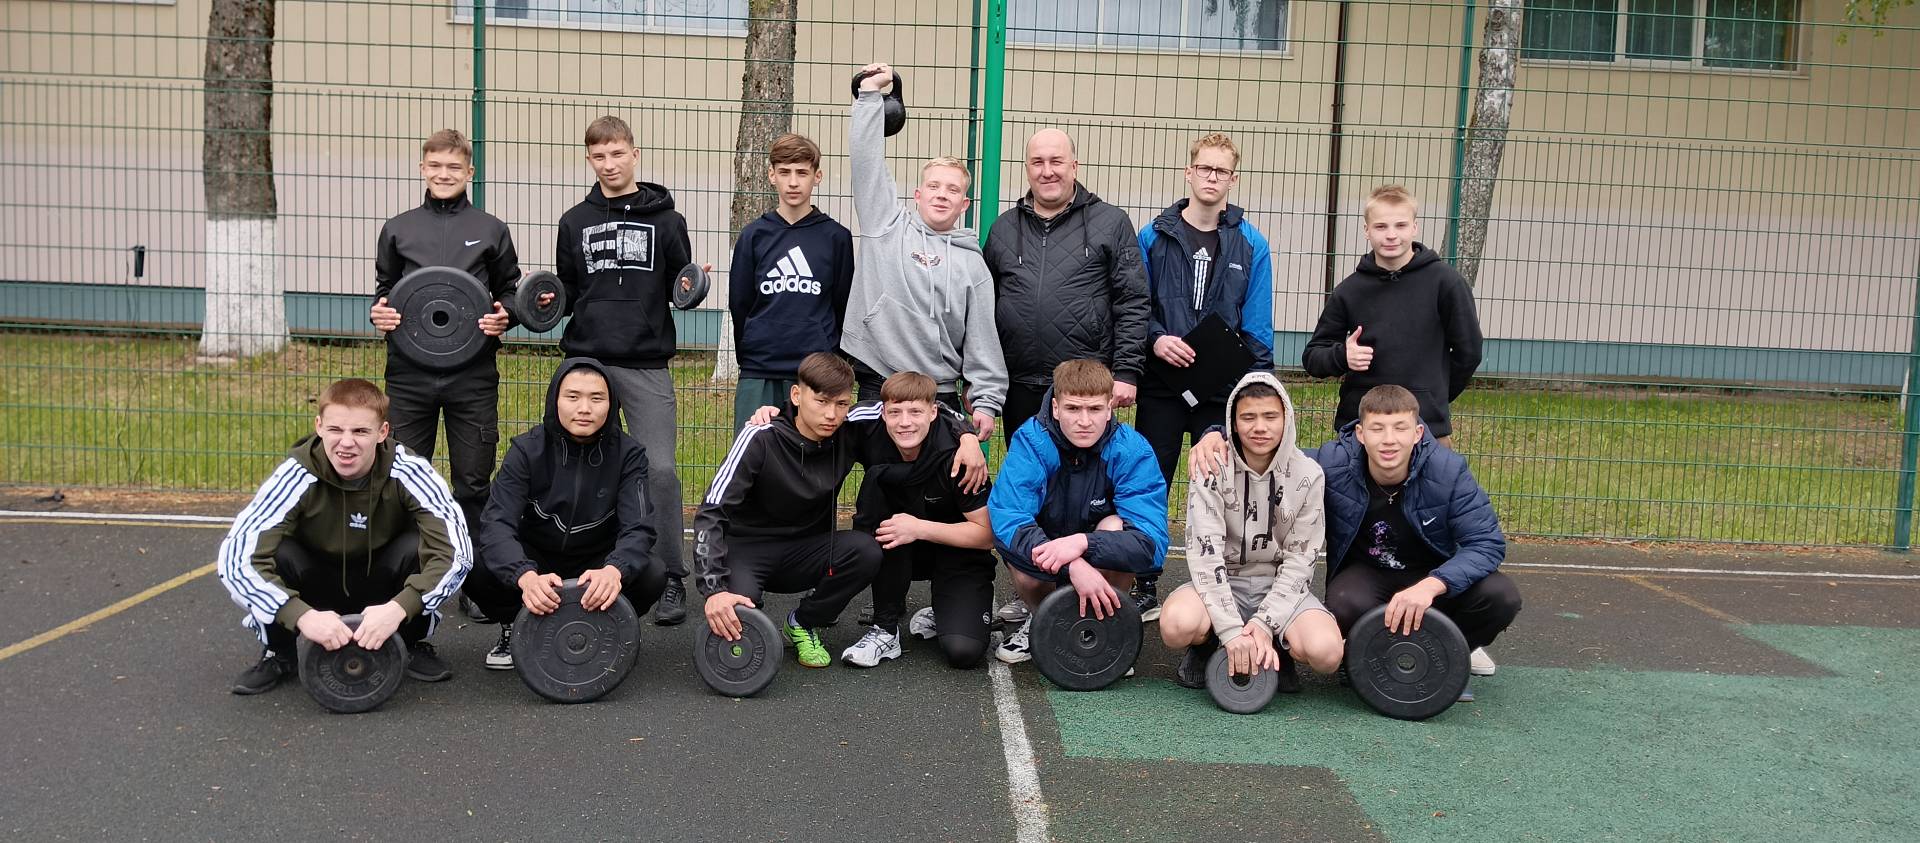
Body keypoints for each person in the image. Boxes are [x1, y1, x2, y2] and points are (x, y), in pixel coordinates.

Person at [1191, 384, 1520, 699]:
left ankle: (1449, 654)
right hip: (1369, 573)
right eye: (1377, 429)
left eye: (1400, 428)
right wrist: (1216, 435)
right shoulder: (1335, 463)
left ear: (1418, 433)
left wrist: (1432, 585)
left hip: (1431, 575)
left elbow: (1487, 544)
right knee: (1343, 603)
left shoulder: (1449, 472)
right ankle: (1368, 658)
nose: (1388, 440)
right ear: (1361, 433)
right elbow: (1273, 449)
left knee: (1500, 596)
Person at [697, 353, 984, 669]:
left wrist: (967, 436)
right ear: (797, 395)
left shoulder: (848, 427)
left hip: (806, 550)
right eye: (821, 402)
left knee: (866, 550)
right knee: (734, 620)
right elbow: (711, 511)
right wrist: (714, 589)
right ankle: (738, 601)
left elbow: (926, 405)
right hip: (748, 550)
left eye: (841, 404)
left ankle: (803, 623)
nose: (831, 414)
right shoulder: (760, 436)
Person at [216, 378, 471, 695]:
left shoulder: (409, 470)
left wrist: (399, 608)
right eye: (335, 429)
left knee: (416, 547)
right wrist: (301, 615)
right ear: (319, 426)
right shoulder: (295, 474)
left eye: (360, 431)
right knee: (279, 552)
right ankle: (279, 653)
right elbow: (235, 560)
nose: (346, 442)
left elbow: (457, 553)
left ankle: (409, 643)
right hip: (315, 587)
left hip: (382, 589)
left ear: (382, 432)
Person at [555, 114, 696, 626]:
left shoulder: (668, 221)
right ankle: (579, 566)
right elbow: (568, 291)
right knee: (575, 465)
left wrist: (692, 286)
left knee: (659, 469)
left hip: (644, 361)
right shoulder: (574, 221)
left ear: (634, 155)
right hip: (586, 361)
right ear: (589, 159)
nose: (609, 164)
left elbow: (681, 288)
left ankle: (671, 574)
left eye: (617, 154)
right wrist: (545, 297)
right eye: (599, 156)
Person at [1132, 131, 1275, 619]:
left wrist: (1255, 390)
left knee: (1220, 487)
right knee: (1150, 480)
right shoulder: (1153, 236)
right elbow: (1136, 305)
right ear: (1189, 172)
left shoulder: (1251, 242)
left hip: (1221, 389)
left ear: (1233, 179)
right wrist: (1155, 339)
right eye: (1205, 168)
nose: (1212, 177)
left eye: (1222, 171)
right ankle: (1144, 582)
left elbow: (1257, 326)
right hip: (1163, 385)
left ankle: (1220, 586)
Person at [368, 128, 521, 559]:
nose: (444, 173)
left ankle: (473, 573)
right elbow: (385, 293)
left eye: (454, 166)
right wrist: (379, 313)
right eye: (435, 165)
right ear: (422, 168)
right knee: (402, 477)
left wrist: (506, 315)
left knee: (472, 482)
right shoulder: (398, 229)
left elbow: (510, 293)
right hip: (409, 375)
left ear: (470, 172)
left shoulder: (491, 229)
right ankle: (407, 571)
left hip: (472, 376)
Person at [841, 62, 1007, 439]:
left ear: (964, 205)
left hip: (938, 390)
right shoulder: (886, 224)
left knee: (938, 476)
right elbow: (867, 162)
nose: (941, 195)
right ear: (918, 195)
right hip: (880, 379)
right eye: (934, 186)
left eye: (952, 190)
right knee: (882, 471)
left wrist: (985, 400)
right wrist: (869, 96)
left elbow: (982, 336)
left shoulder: (972, 265)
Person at [466, 358, 666, 669]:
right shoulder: (526, 450)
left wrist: (614, 570)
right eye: (573, 397)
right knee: (474, 565)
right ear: (555, 400)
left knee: (653, 572)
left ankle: (601, 629)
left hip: (596, 564)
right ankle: (515, 626)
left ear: (612, 404)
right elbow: (497, 524)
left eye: (596, 398)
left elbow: (638, 528)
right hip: (537, 562)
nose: (584, 408)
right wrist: (524, 576)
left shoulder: (630, 455)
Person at [1158, 372, 1343, 695]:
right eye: (1248, 417)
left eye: (1270, 416)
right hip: (1225, 579)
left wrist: (1264, 624)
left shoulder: (1309, 474)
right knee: (1176, 626)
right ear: (1232, 422)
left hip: (1278, 585)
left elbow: (1301, 560)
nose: (1260, 427)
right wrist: (1230, 631)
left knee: (1326, 653)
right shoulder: (1211, 466)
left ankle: (1278, 648)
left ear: (1287, 418)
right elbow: (1205, 554)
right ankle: (1208, 644)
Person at [988, 359, 1169, 666]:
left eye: (1094, 409)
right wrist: (1071, 563)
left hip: (1097, 551)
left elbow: (1151, 545)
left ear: (1109, 408)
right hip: (1049, 551)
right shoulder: (1032, 442)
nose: (1084, 421)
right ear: (1056, 408)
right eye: (1073, 408)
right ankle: (1042, 619)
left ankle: (1108, 625)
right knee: (1023, 562)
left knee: (1116, 526)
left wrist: (1085, 545)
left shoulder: (1132, 450)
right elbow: (1008, 519)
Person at [983, 127, 1149, 439]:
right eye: (1038, 162)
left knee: (1085, 468)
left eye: (1056, 161)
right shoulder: (1003, 229)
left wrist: (1126, 370)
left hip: (1085, 386)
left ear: (1074, 166)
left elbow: (1132, 300)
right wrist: (981, 379)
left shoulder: (1111, 223)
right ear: (1027, 169)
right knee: (1029, 464)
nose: (1047, 171)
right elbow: (983, 307)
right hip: (1019, 383)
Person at [1300, 184, 1484, 447]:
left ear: (1414, 227)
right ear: (1366, 230)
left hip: (1426, 427)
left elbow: (1469, 352)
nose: (1391, 235)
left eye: (1400, 225)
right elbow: (1313, 356)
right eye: (1381, 226)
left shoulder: (1446, 283)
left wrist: (1434, 397)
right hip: (1361, 428)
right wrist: (1342, 356)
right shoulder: (1350, 290)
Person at [840, 372, 997, 670]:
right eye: (895, 412)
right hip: (901, 544)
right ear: (883, 413)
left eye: (915, 412)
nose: (905, 422)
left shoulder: (962, 456)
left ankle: (945, 610)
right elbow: (817, 416)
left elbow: (987, 536)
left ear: (933, 412)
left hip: (957, 550)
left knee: (964, 652)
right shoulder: (867, 429)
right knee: (888, 524)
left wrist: (919, 528)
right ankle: (885, 630)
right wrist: (773, 414)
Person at [728, 132, 855, 431]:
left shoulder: (836, 237)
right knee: (754, 450)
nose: (793, 182)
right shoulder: (753, 236)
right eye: (784, 172)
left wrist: (831, 357)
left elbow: (843, 303)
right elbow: (740, 304)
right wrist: (754, 349)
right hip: (760, 369)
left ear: (817, 176)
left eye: (802, 172)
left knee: (811, 453)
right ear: (771, 175)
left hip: (815, 372)